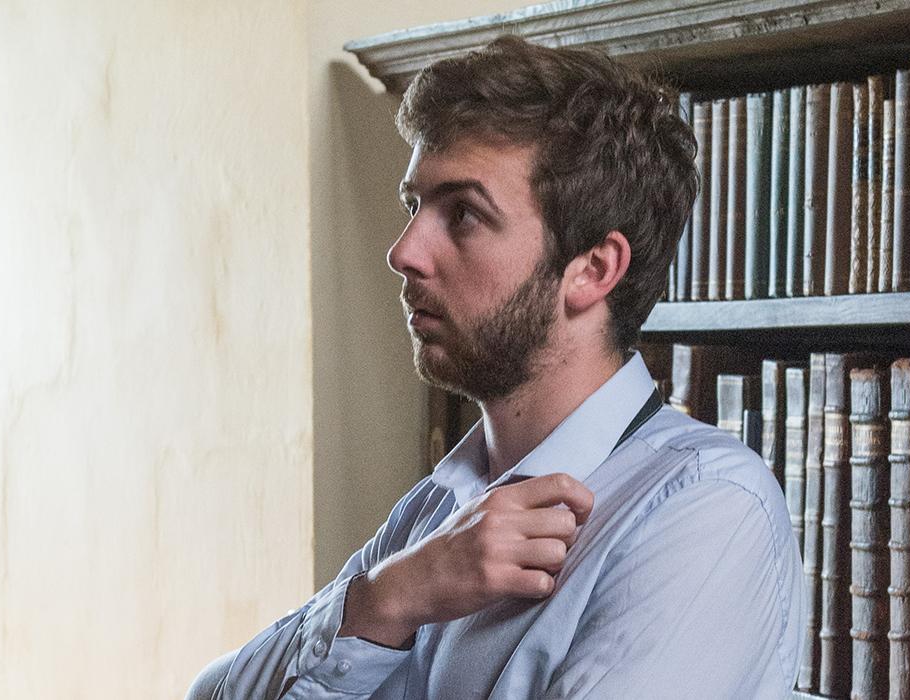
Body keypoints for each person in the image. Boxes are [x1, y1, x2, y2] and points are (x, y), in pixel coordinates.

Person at [188, 35, 800, 699]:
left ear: (592, 271)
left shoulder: (708, 509)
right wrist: (389, 598)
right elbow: (209, 695)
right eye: (414, 206)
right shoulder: (439, 509)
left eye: (465, 215)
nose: (404, 251)